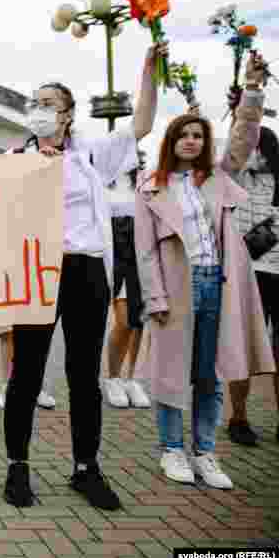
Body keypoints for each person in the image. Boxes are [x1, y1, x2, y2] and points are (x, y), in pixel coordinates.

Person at [2, 43, 164, 511]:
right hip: (37, 270)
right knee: (26, 372)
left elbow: (141, 125)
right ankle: (17, 467)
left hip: (86, 268)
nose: (39, 110)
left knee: (84, 374)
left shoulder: (91, 153)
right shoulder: (13, 157)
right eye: (34, 103)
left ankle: (86, 468)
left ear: (68, 113)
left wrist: (149, 73)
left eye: (49, 103)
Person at [135, 53, 275, 490]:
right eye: (184, 135)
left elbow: (244, 137)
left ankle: (205, 452)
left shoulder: (216, 177)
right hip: (176, 289)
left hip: (218, 283)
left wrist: (252, 91)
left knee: (209, 373)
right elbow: (144, 251)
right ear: (171, 141)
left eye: (198, 135)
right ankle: (171, 449)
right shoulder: (151, 187)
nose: (191, 141)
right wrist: (155, 297)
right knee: (172, 372)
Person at [227, 107, 279, 446]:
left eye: (259, 147)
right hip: (248, 274)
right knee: (243, 348)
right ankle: (238, 417)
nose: (253, 153)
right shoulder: (238, 179)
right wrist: (243, 111)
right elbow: (235, 144)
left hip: (276, 273)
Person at [103, 150, 151, 408]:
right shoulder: (101, 179)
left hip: (141, 256)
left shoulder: (145, 180)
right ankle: (112, 378)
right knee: (124, 321)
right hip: (114, 257)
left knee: (138, 322)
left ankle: (132, 379)